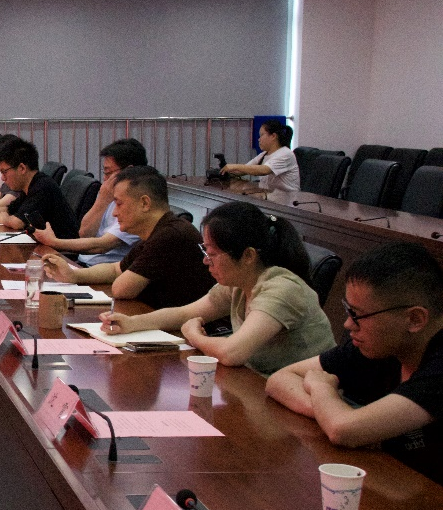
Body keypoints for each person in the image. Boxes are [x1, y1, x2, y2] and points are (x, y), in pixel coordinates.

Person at [266, 243, 443, 483]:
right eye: (348, 310)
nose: (348, 324)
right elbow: (279, 379)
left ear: (414, 319)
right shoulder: (378, 345)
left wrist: (322, 389)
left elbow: (342, 430)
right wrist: (331, 413)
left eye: (358, 315)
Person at [100, 202, 334, 374]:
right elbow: (185, 313)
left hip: (305, 395)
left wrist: (193, 335)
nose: (205, 261)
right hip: (260, 384)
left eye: (212, 253)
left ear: (248, 256)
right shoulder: (239, 283)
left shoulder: (282, 289)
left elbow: (233, 353)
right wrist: (132, 323)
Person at [43, 166, 214, 309]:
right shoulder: (158, 230)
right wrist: (74, 276)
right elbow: (115, 269)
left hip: (191, 331)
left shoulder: (170, 235)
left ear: (145, 203)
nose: (115, 213)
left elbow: (121, 289)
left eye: (119, 204)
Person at [33, 138, 146, 266]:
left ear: (128, 172)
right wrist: (102, 200)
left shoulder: (137, 204)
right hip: (83, 263)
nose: (105, 178)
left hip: (103, 270)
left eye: (108, 173)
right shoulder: (109, 194)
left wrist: (54, 242)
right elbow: (84, 234)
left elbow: (103, 245)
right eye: (104, 172)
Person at [0, 137, 77, 238]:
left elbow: (17, 222)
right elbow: (9, 209)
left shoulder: (43, 187)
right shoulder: (28, 186)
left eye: (4, 172)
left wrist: (4, 219)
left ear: (22, 168)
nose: (2, 178)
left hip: (60, 246)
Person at [220, 120, 300, 193]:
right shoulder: (264, 154)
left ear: (273, 136)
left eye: (261, 135)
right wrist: (223, 172)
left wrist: (234, 166)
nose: (259, 139)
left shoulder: (285, 153)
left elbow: (264, 170)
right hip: (269, 195)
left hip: (286, 198)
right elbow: (245, 169)